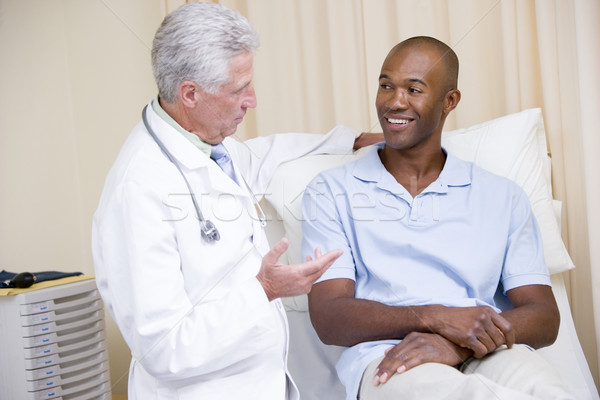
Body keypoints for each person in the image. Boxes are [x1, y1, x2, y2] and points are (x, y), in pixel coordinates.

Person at [92, 3, 379, 399]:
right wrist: (263, 289)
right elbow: (162, 349)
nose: (252, 100)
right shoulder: (138, 189)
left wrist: (353, 141)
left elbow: (268, 153)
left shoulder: (209, 146)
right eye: (239, 89)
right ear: (190, 93)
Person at [301, 36, 574, 400]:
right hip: (390, 356)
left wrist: (459, 343)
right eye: (386, 86)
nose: (395, 101)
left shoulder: (502, 195)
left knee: (548, 391)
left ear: (450, 101)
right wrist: (435, 317)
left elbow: (544, 316)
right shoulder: (330, 191)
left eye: (414, 89)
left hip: (487, 349)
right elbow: (329, 317)